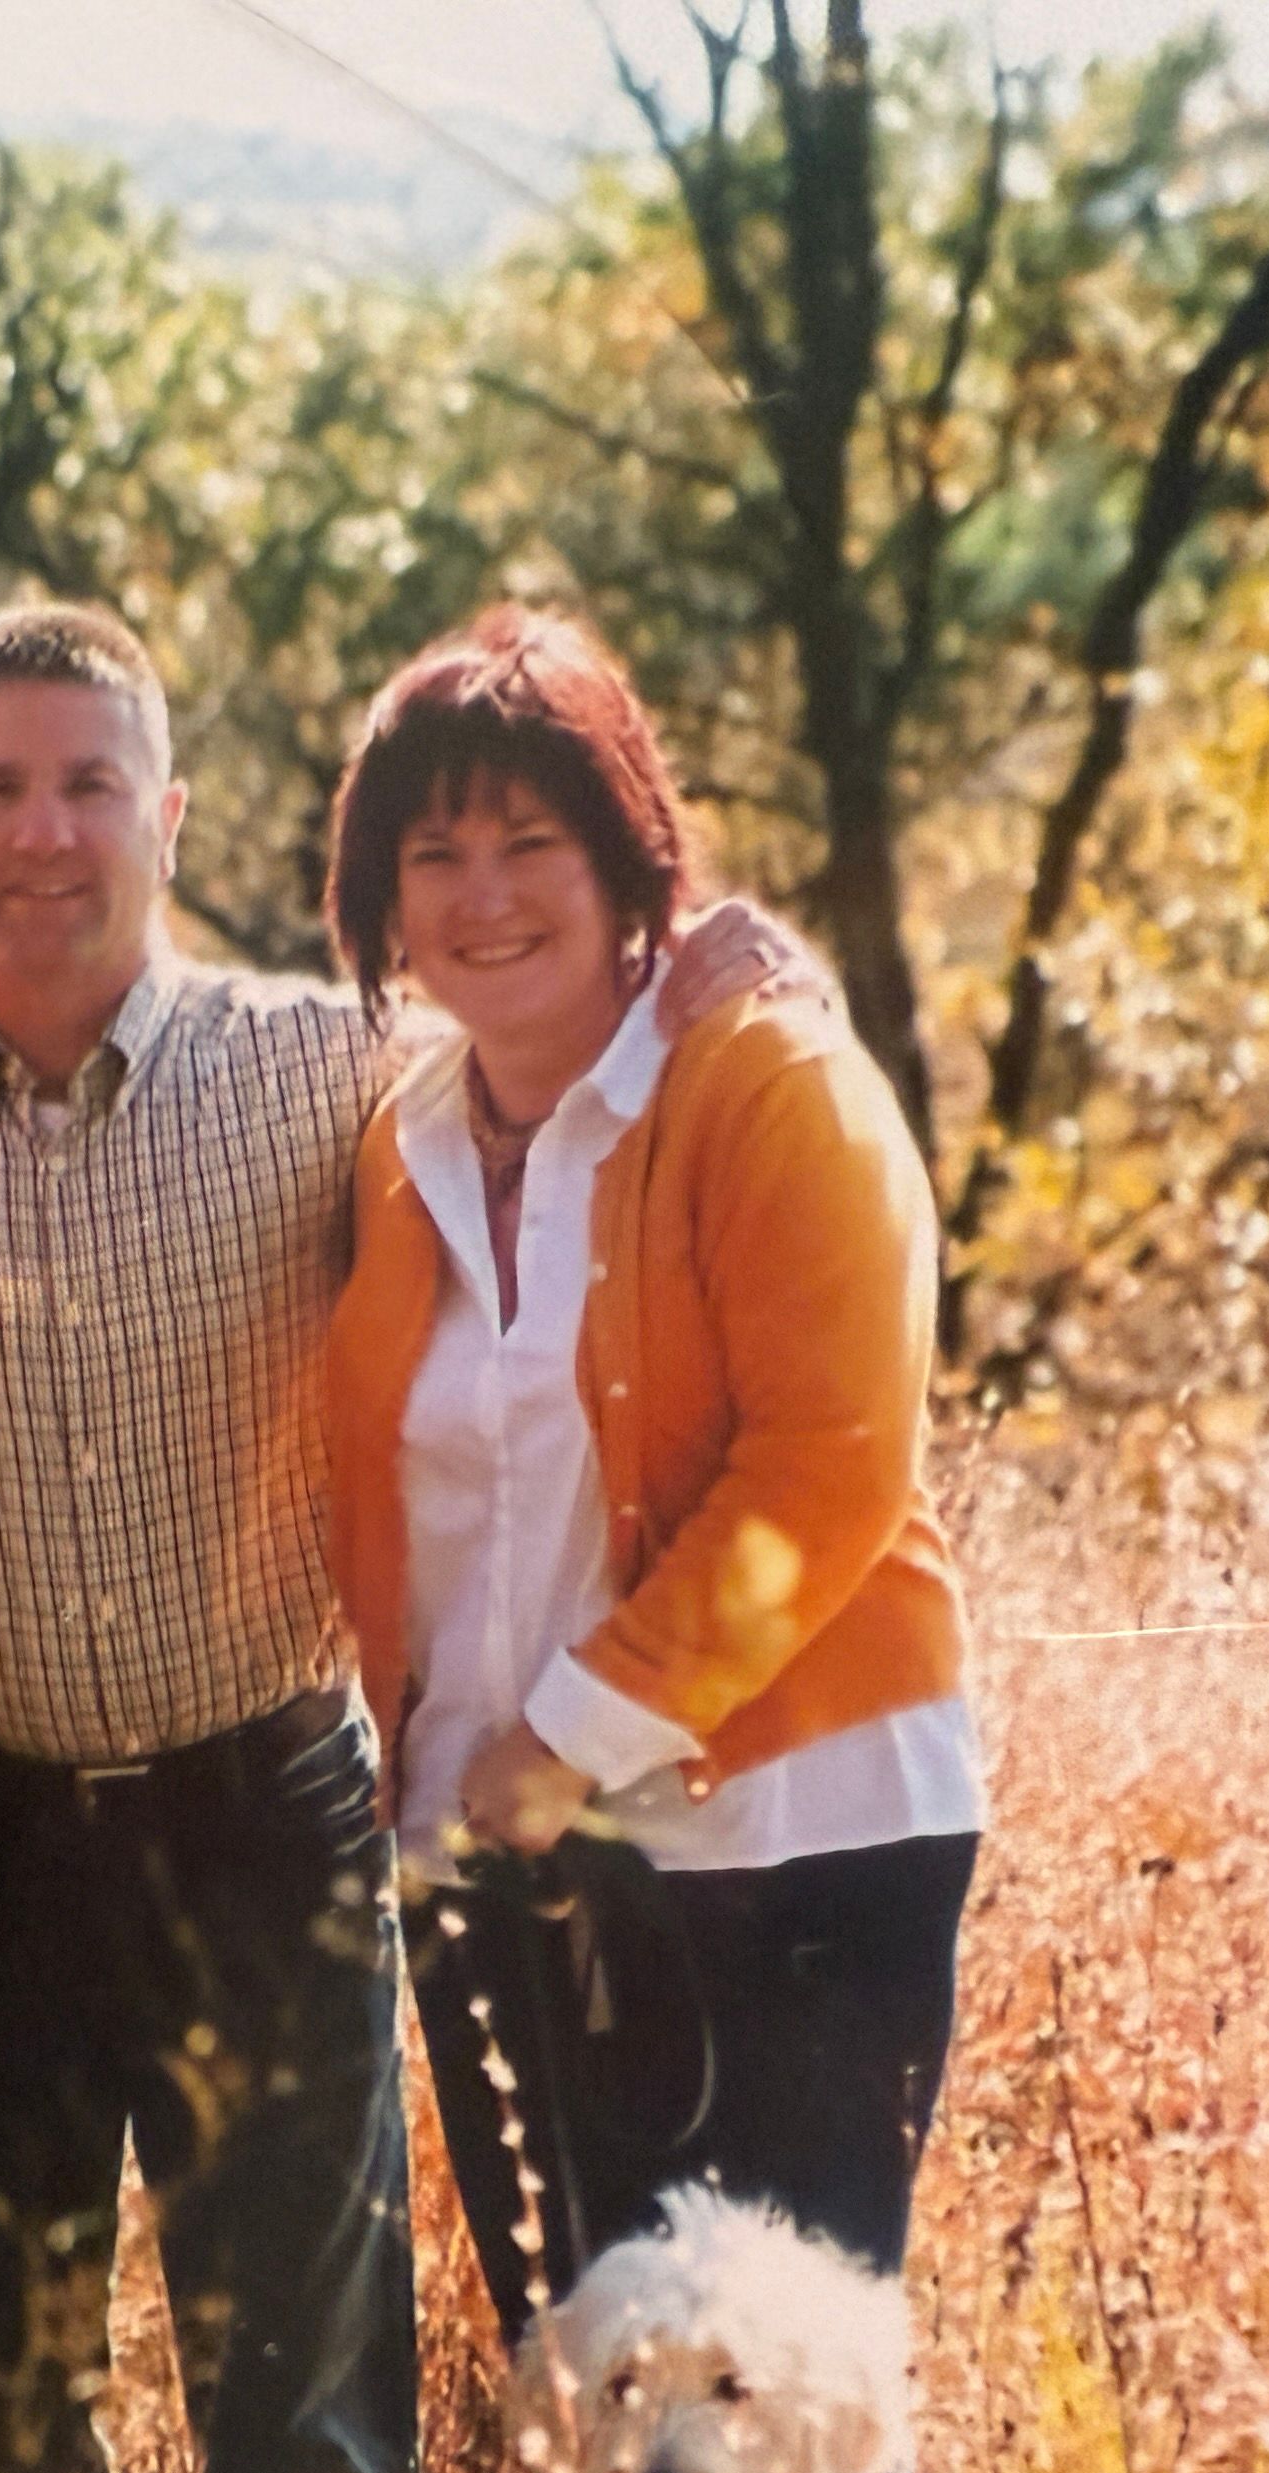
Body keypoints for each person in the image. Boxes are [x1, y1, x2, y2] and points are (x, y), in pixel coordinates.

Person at [0, 601, 816, 2473]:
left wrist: (731, 964)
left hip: (259, 1801)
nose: (45, 834)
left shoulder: (332, 1073)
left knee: (303, 2383)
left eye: (91, 783)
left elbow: (575, 1056)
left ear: (172, 811)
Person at [319, 607, 977, 2347]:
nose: (483, 894)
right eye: (433, 851)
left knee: (785, 2426)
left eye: (533, 842)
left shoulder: (767, 1080)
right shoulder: (401, 1150)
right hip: (503, 1861)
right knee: (594, 2399)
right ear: (381, 897)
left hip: (795, 1843)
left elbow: (834, 1466)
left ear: (630, 868)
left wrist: (573, 1738)